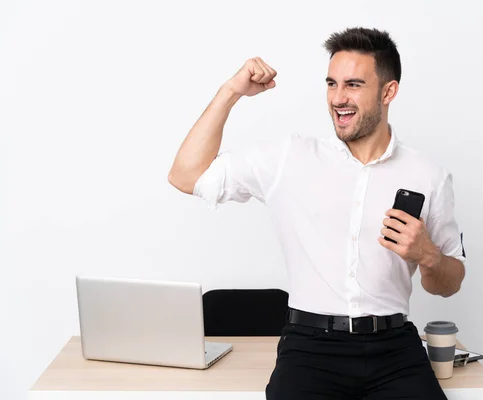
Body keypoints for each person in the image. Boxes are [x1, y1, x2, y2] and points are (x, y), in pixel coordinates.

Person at [168, 27, 466, 400]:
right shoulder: (289, 159)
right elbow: (185, 175)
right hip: (310, 350)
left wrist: (427, 255)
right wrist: (231, 92)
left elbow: (450, 282)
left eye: (354, 85)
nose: (338, 98)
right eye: (331, 83)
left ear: (388, 92)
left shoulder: (429, 176)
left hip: (395, 349)